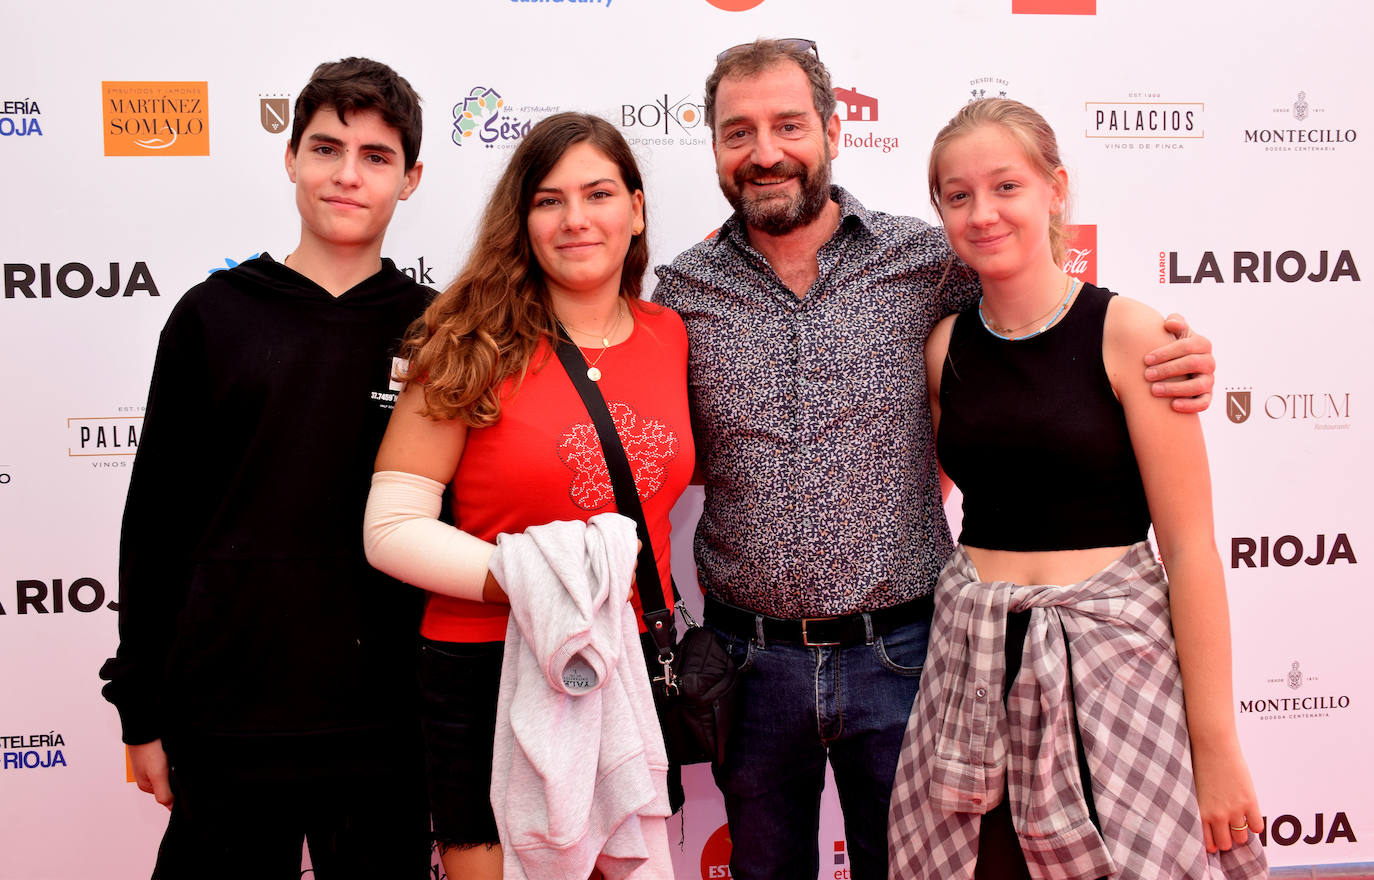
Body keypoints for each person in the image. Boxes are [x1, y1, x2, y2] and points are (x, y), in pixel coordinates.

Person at [651, 39, 1219, 880]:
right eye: (739, 132)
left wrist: (1172, 350)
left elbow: (1034, 325)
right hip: (749, 661)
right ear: (714, 147)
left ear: (833, 131)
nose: (765, 152)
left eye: (788, 125)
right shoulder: (682, 291)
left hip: (910, 655)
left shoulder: (926, 262)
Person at [886, 98, 1267, 880]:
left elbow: (1191, 551)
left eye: (1007, 186)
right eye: (958, 196)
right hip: (972, 669)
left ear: (1055, 190)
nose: (983, 213)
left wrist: (1217, 745)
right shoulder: (945, 346)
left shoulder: (1134, 336)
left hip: (1114, 675)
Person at [98, 58, 432, 878]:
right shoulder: (212, 316)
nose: (347, 175)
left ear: (410, 179)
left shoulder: (438, 330)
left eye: (376, 156)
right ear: (290, 159)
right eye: (326, 149)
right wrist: (140, 708)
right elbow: (156, 523)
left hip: (388, 721)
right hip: (227, 712)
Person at [362, 112, 692, 880]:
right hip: (486, 668)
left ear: (636, 210)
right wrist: (543, 582)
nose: (576, 219)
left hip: (628, 660)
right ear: (523, 219)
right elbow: (391, 527)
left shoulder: (670, 335)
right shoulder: (464, 343)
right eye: (549, 200)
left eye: (598, 194)